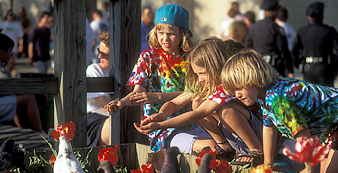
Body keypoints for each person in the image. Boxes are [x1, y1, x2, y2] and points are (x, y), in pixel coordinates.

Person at [220, 49, 338, 173]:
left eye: (239, 88)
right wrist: (268, 163)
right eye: (234, 90)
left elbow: (302, 134)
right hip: (331, 124)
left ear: (253, 77)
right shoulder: (266, 96)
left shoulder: (279, 100)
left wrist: (308, 169)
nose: (237, 94)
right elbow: (268, 128)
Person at [105, 4, 216, 155]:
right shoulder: (148, 57)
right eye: (160, 32)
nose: (165, 38)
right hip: (160, 127)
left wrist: (158, 96)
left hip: (192, 121)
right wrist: (122, 102)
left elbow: (194, 93)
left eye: (171, 33)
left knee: (218, 147)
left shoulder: (192, 59)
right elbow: (139, 93)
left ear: (183, 33)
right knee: (207, 146)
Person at [134, 37, 265, 164]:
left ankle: (256, 151)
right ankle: (225, 148)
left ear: (215, 67)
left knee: (226, 111)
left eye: (202, 73)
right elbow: (175, 103)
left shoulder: (226, 85)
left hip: (259, 134)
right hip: (238, 138)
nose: (200, 79)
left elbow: (198, 114)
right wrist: (162, 115)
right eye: (197, 74)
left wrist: (161, 125)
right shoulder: (203, 85)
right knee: (197, 102)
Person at [0, 29, 43, 132]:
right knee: (29, 98)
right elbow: (8, 85)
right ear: (1, 52)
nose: (11, 54)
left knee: (18, 99)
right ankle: (40, 132)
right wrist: (38, 92)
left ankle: (24, 130)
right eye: (10, 50)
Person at [292, 2, 338, 87]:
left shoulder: (302, 31)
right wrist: (335, 69)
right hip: (325, 69)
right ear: (322, 16)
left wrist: (300, 65)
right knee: (326, 98)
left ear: (309, 17)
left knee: (310, 97)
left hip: (308, 69)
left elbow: (294, 52)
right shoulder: (329, 30)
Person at [244, 0, 293, 77]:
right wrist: (290, 70)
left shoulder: (254, 27)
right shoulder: (276, 28)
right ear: (274, 12)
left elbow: (246, 47)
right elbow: (284, 51)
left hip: (258, 68)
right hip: (275, 70)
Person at [86, 32, 111, 147]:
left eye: (104, 54)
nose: (99, 56)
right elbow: (105, 107)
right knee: (116, 124)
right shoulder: (94, 69)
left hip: (115, 117)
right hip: (96, 118)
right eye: (98, 51)